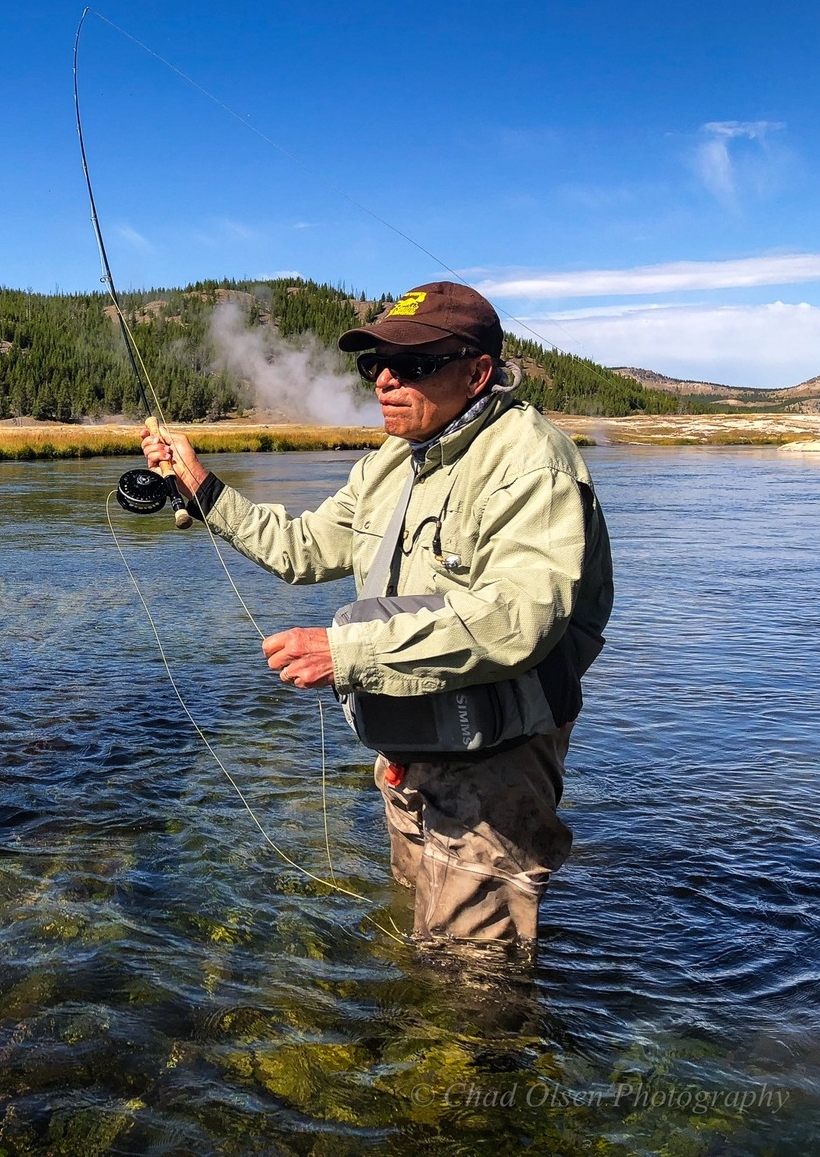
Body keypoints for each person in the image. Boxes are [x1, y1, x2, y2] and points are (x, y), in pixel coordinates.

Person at [140, 281, 613, 951]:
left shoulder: (530, 462)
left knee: (475, 976)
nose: (385, 380)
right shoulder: (392, 461)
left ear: (478, 372)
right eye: (374, 365)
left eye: (412, 364)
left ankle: (484, 1057)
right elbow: (303, 549)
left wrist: (348, 653)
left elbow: (521, 618)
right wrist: (203, 489)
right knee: (421, 941)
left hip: (495, 762)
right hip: (411, 747)